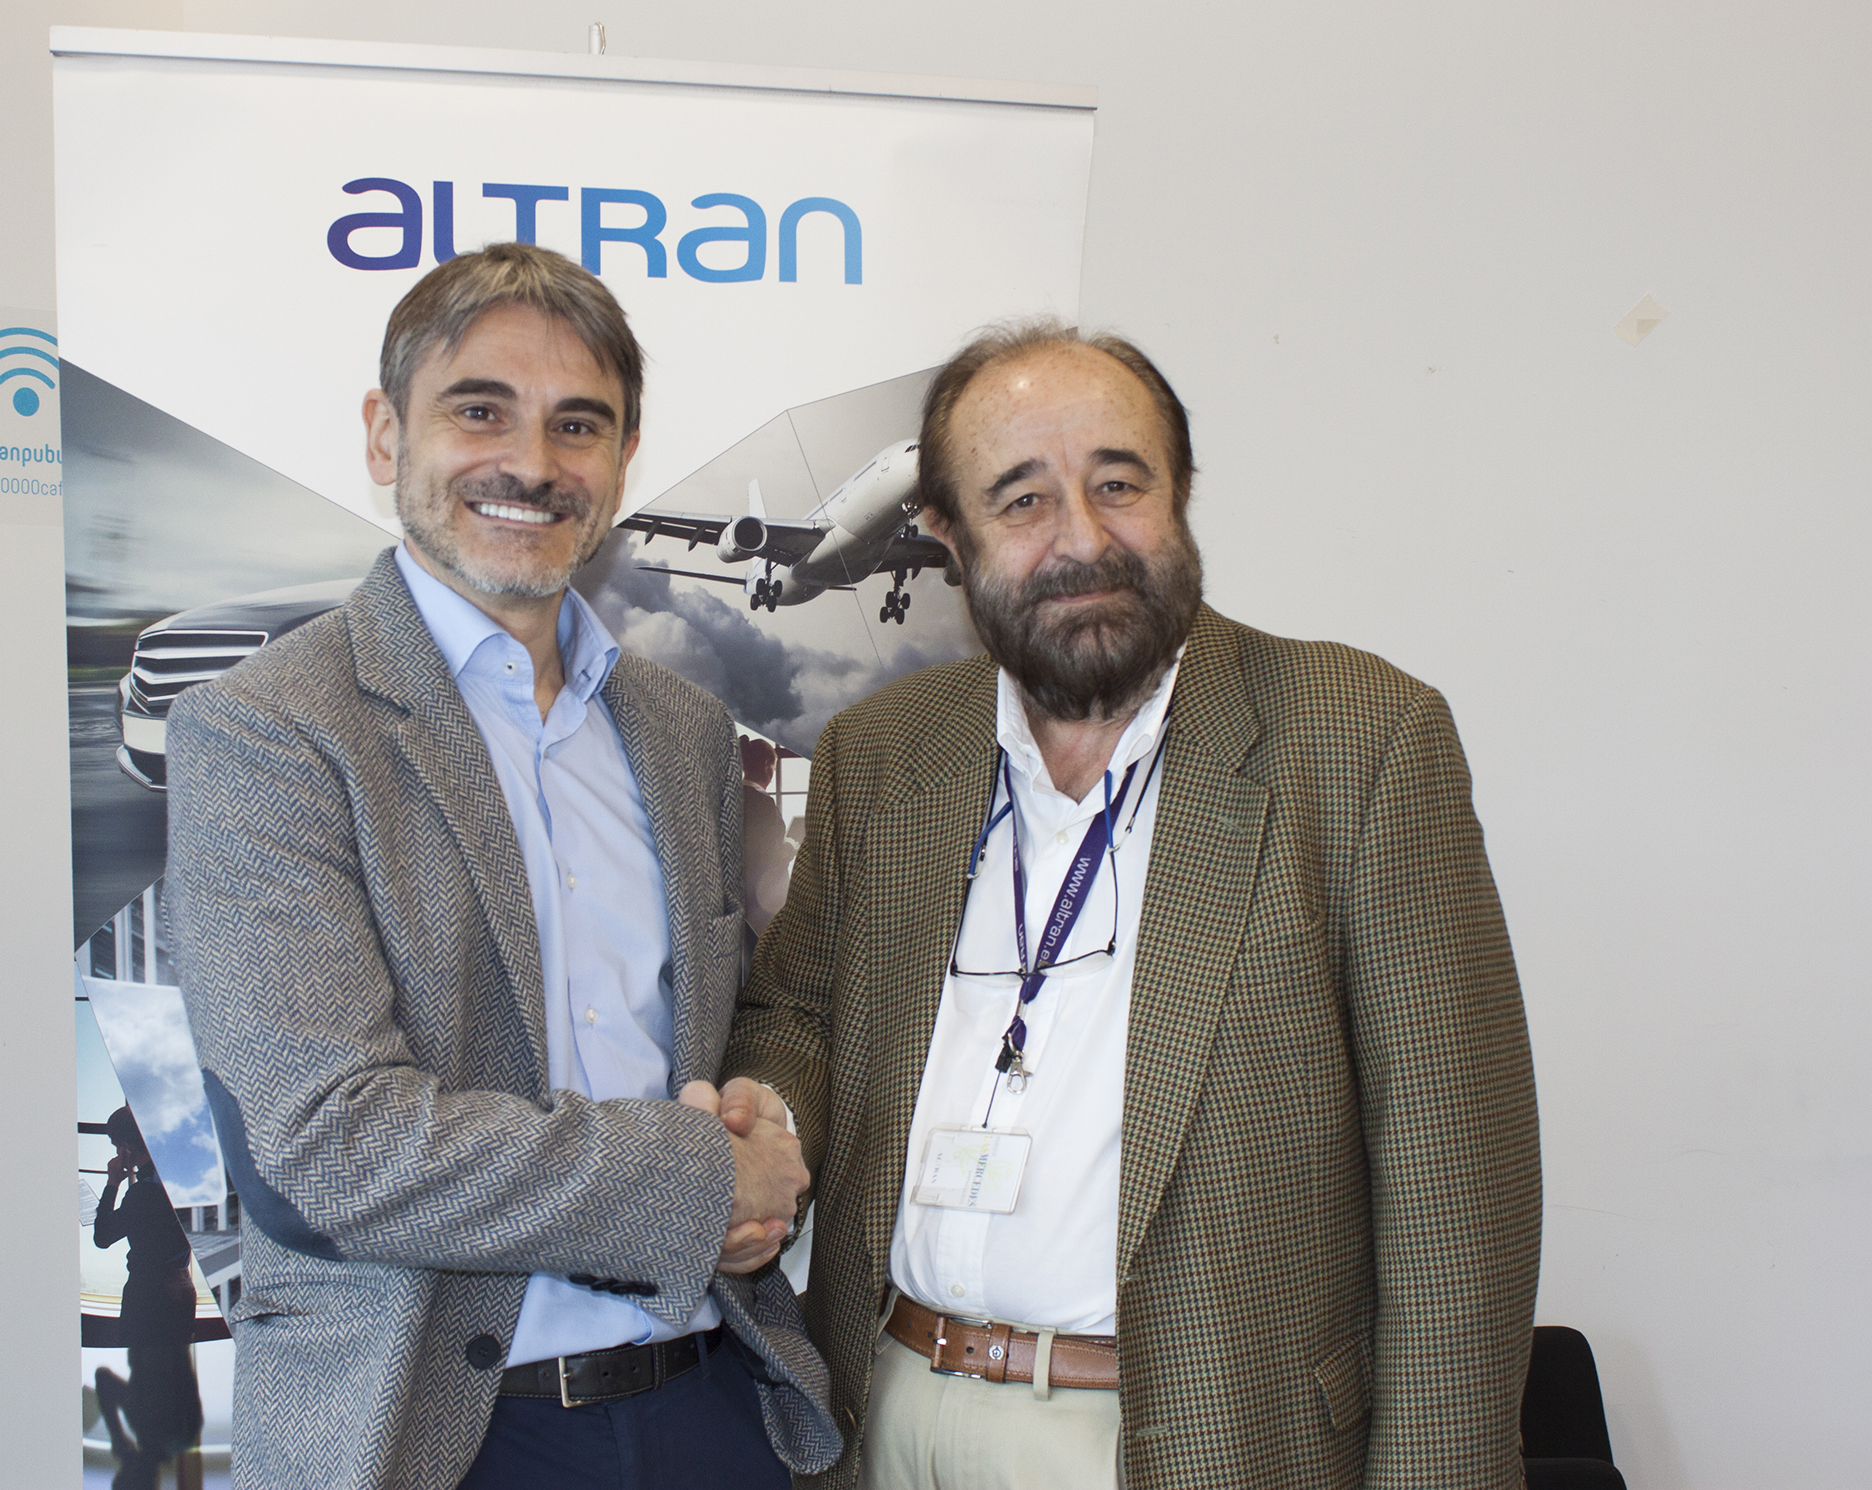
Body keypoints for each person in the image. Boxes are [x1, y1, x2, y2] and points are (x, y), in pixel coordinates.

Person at [719, 320, 1542, 1488]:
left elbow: (1458, 1194)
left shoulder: (1358, 741)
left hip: (1198, 1443)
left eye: (1120, 482)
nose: (1084, 537)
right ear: (947, 531)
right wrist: (768, 1113)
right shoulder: (883, 751)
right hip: (888, 1414)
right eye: (1023, 499)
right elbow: (797, 1012)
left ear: (1181, 491)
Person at [167, 242, 834, 1490]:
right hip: (437, 1434)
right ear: (385, 435)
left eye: (577, 424)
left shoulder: (684, 731)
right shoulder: (269, 731)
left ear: (623, 461)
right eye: (480, 410)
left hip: (710, 1405)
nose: (532, 463)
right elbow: (330, 1145)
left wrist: (764, 1121)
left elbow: (729, 1023)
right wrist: (703, 1180)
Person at [91, 1105, 203, 1490]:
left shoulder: (142, 1193)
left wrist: (113, 1183)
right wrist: (121, 1442)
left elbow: (102, 1235)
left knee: (154, 1359)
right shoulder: (174, 1179)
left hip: (148, 1297)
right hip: (177, 1292)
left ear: (126, 1146)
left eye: (115, 1145)